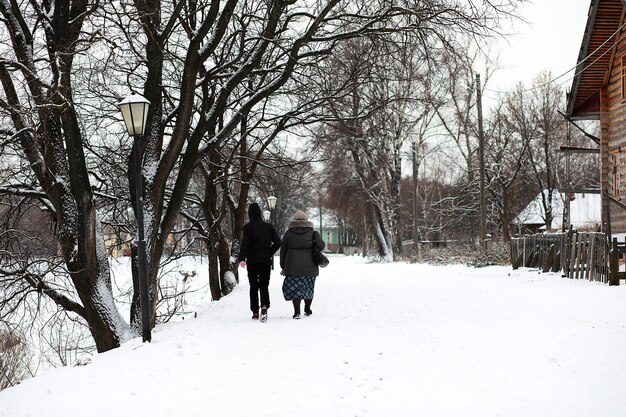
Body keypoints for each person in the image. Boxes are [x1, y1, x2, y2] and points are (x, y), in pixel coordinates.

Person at [238, 202, 281, 320]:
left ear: (250, 214)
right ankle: (264, 306)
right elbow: (278, 242)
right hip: (265, 261)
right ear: (260, 213)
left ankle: (255, 311)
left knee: (253, 286)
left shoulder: (247, 228)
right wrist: (269, 252)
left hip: (252, 262)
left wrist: (242, 258)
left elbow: (245, 244)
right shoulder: (268, 227)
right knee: (264, 285)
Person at [280, 210, 325, 319]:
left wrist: (283, 266)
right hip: (310, 267)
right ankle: (307, 309)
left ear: (294, 220)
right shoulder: (313, 233)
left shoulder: (288, 233)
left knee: (295, 289)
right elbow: (322, 246)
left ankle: (297, 312)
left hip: (292, 267)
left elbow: (283, 251)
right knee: (308, 288)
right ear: (306, 220)